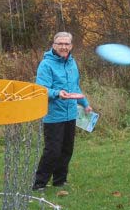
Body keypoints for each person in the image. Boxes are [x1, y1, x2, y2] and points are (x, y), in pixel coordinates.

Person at [33, 32, 91, 190]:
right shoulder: (46, 65)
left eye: (67, 44)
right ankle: (39, 183)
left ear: (71, 46)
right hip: (54, 116)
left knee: (66, 150)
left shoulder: (72, 63)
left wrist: (85, 104)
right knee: (52, 151)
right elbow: (41, 90)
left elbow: (75, 88)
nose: (63, 47)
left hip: (71, 114)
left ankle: (60, 180)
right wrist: (57, 93)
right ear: (54, 46)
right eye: (60, 44)